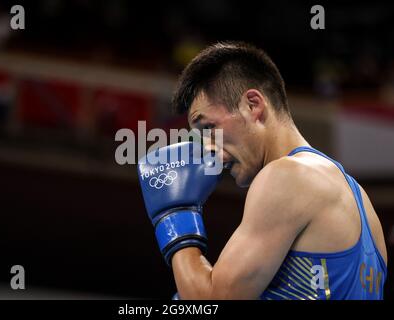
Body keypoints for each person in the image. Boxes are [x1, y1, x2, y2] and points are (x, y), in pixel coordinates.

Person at [138, 42, 387, 299]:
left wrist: (175, 218)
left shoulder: (287, 177)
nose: (208, 149)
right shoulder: (363, 205)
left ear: (253, 105)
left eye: (208, 128)